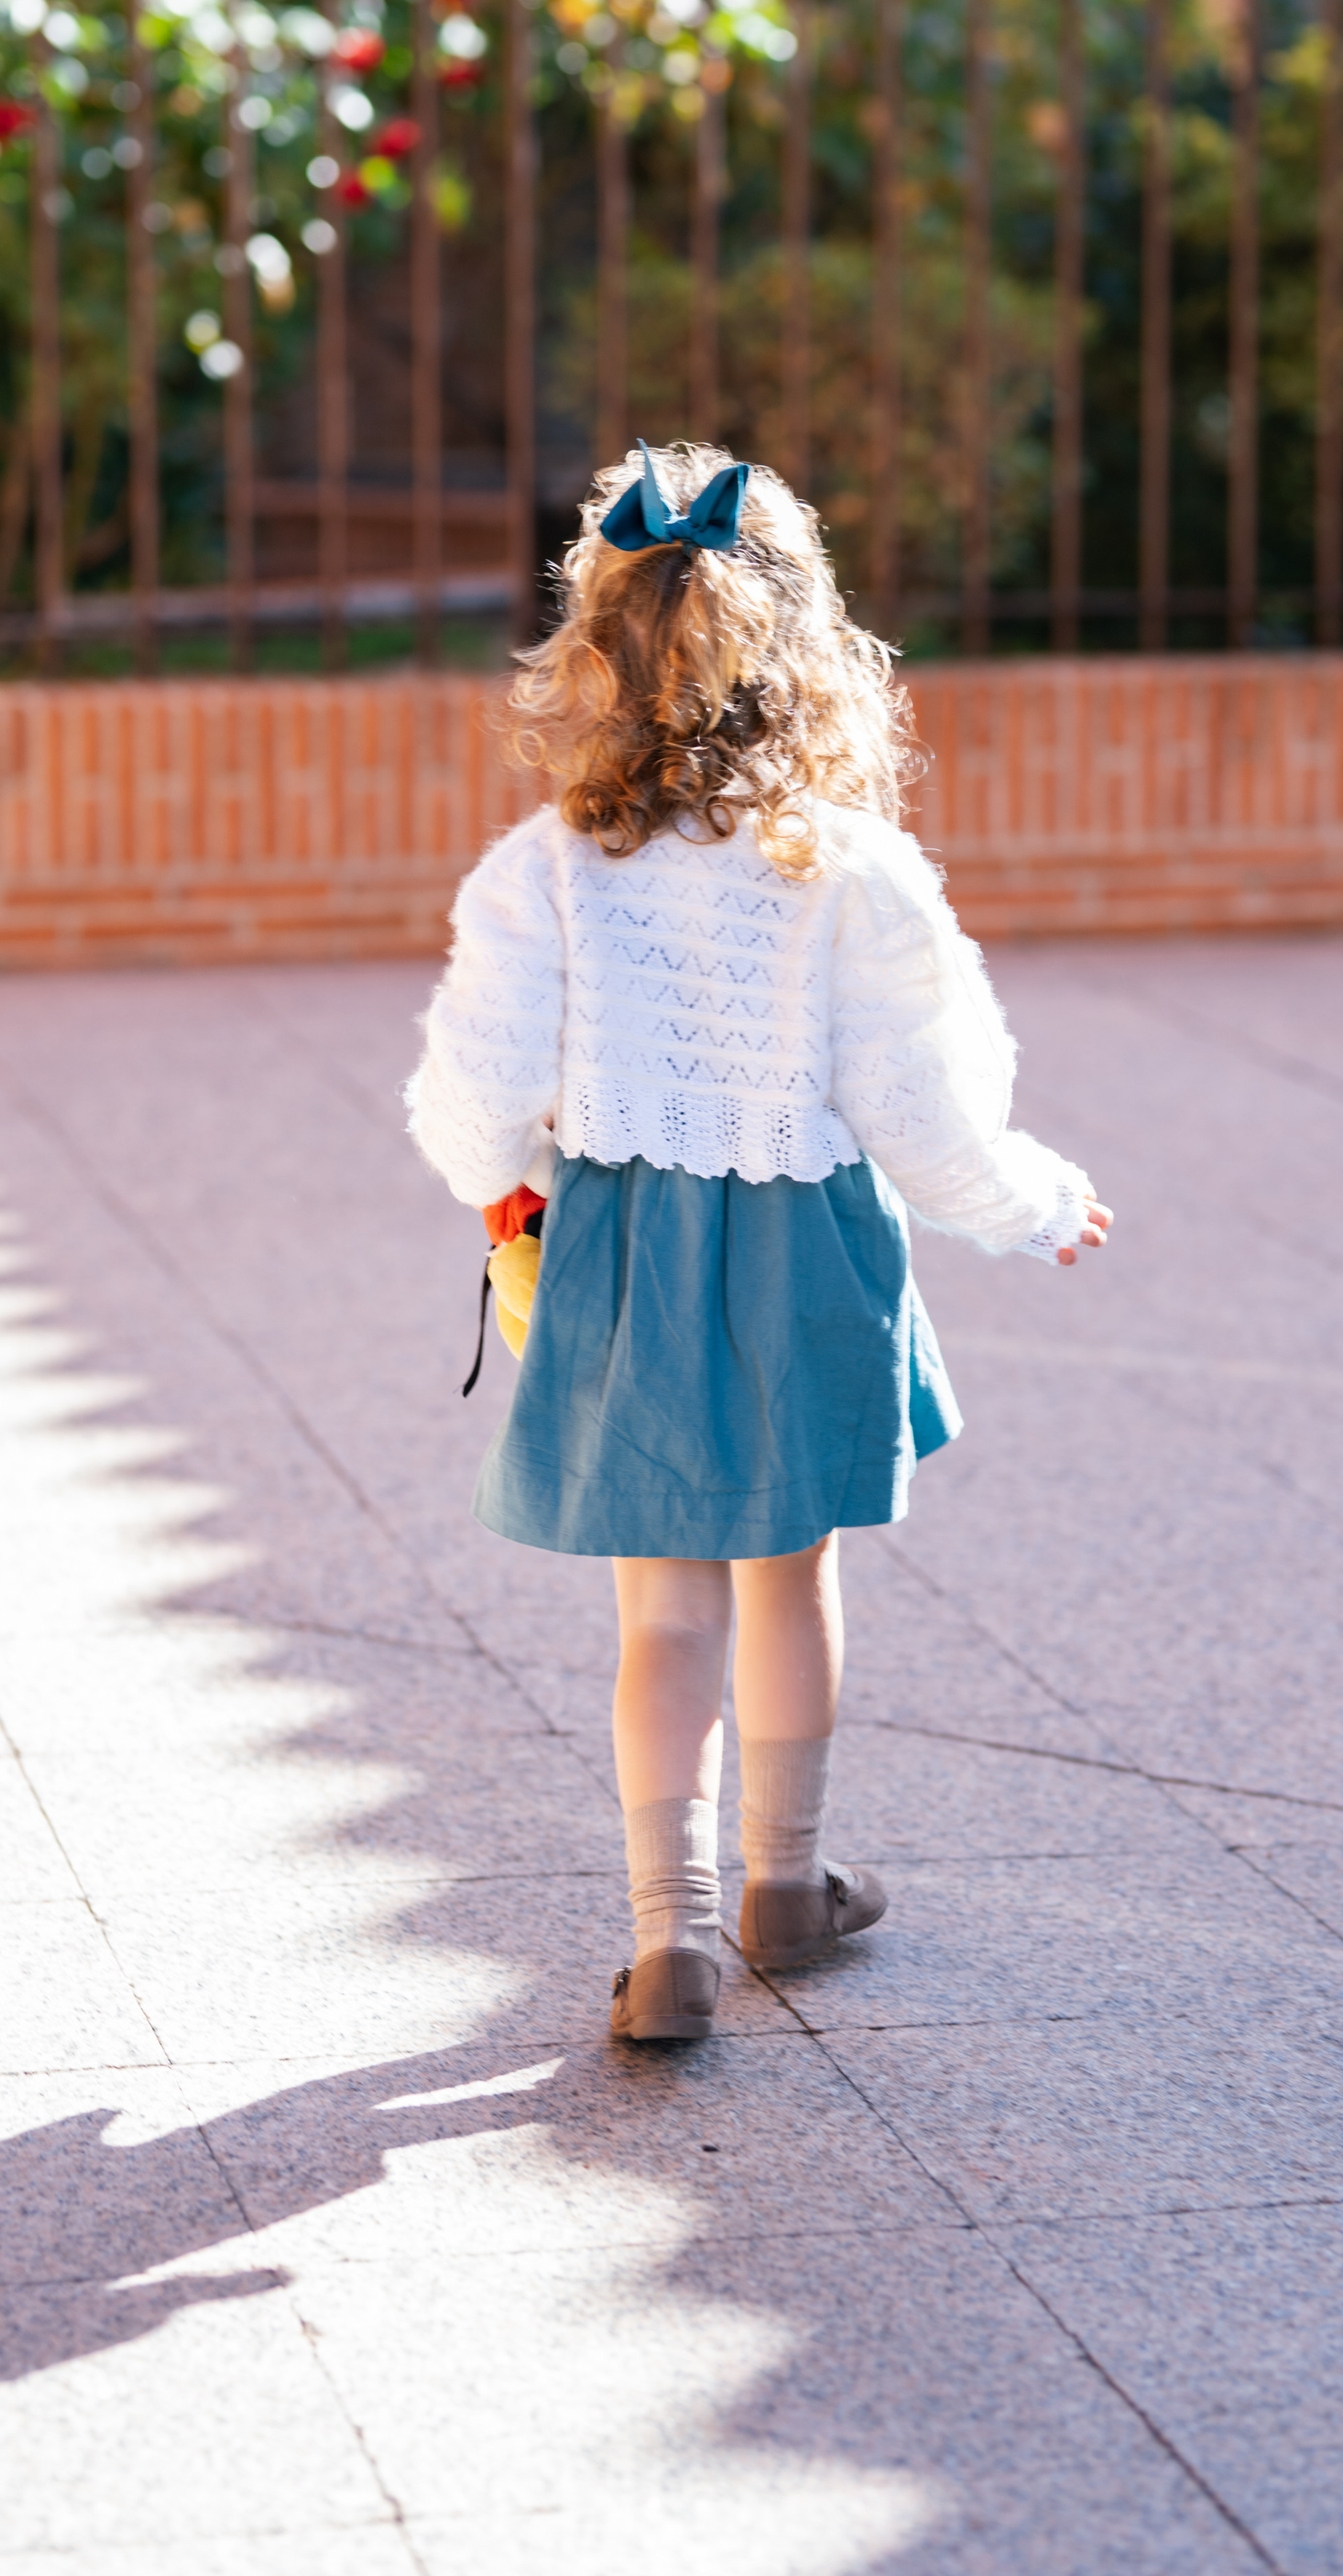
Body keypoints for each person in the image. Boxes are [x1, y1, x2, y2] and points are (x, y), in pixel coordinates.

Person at [406, 441, 1112, 2044]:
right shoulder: (846, 870)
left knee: (662, 1610)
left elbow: (477, 1091)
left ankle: (667, 1945)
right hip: (806, 1258)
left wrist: (496, 1187)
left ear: (586, 656)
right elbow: (926, 1104)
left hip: (628, 1259)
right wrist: (1032, 1202)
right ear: (810, 651)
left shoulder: (546, 874)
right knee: (788, 1579)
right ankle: (782, 1886)